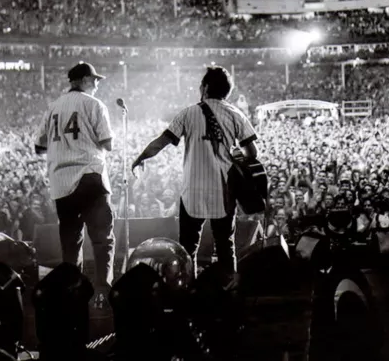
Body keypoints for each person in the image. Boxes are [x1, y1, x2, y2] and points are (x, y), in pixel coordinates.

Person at [131, 66, 259, 278]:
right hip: (224, 191)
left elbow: (162, 142)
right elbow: (252, 153)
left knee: (188, 247)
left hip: (193, 190)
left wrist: (141, 158)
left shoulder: (189, 113)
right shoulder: (236, 114)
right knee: (226, 245)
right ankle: (229, 288)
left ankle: (187, 288)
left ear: (205, 87)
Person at [34, 62, 115, 304]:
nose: (98, 83)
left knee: (70, 243)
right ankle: (103, 291)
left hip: (61, 183)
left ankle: (73, 295)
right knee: (102, 238)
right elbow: (108, 143)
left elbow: (39, 147)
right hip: (90, 176)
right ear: (81, 80)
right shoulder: (94, 104)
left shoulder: (53, 108)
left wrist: (64, 148)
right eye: (94, 79)